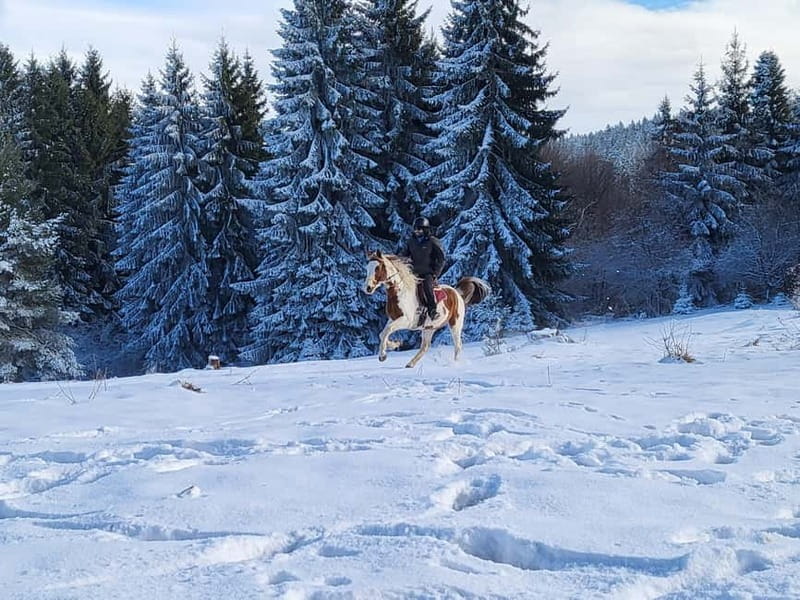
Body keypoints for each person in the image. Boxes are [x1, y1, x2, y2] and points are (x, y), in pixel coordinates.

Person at [401, 217, 445, 325]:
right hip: (413, 272)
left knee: (427, 288)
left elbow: (441, 259)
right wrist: (402, 259)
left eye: (419, 229)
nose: (417, 231)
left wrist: (436, 273)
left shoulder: (432, 241)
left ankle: (432, 310)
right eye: (415, 229)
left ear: (425, 229)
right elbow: (404, 254)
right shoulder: (411, 242)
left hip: (427, 273)